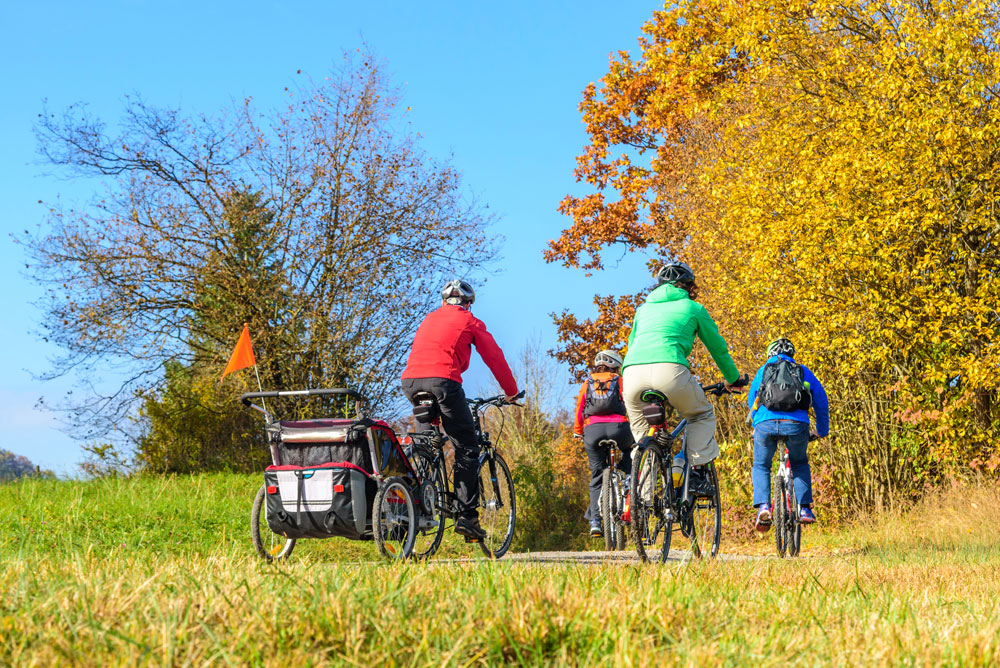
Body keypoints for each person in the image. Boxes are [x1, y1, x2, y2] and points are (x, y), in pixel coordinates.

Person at [401, 279, 520, 541]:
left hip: (410, 383)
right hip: (444, 382)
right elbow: (494, 357)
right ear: (468, 305)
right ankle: (468, 518)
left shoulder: (429, 319)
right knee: (466, 446)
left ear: (443, 302)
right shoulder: (469, 321)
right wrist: (510, 392)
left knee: (426, 443)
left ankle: (420, 495)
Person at [621, 262, 743, 496]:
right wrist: (733, 378)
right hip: (670, 369)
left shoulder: (643, 310)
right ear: (688, 286)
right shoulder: (693, 308)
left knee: (642, 434)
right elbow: (718, 349)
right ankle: (696, 472)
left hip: (632, 373)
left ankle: (641, 499)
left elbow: (632, 343)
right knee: (701, 414)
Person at [746, 337, 829, 531]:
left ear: (769, 355)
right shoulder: (802, 371)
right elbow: (821, 400)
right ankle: (804, 509)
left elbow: (752, 401)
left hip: (765, 425)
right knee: (799, 463)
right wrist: (821, 430)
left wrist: (757, 425)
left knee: (761, 465)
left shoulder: (763, 371)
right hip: (796, 425)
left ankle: (764, 506)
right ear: (792, 354)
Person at [573, 350, 634, 537]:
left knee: (597, 474)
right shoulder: (620, 381)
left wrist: (578, 431)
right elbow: (631, 403)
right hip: (620, 428)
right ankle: (628, 485)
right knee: (632, 454)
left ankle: (595, 522)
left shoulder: (587, 383)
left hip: (593, 431)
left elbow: (580, 408)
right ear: (616, 365)